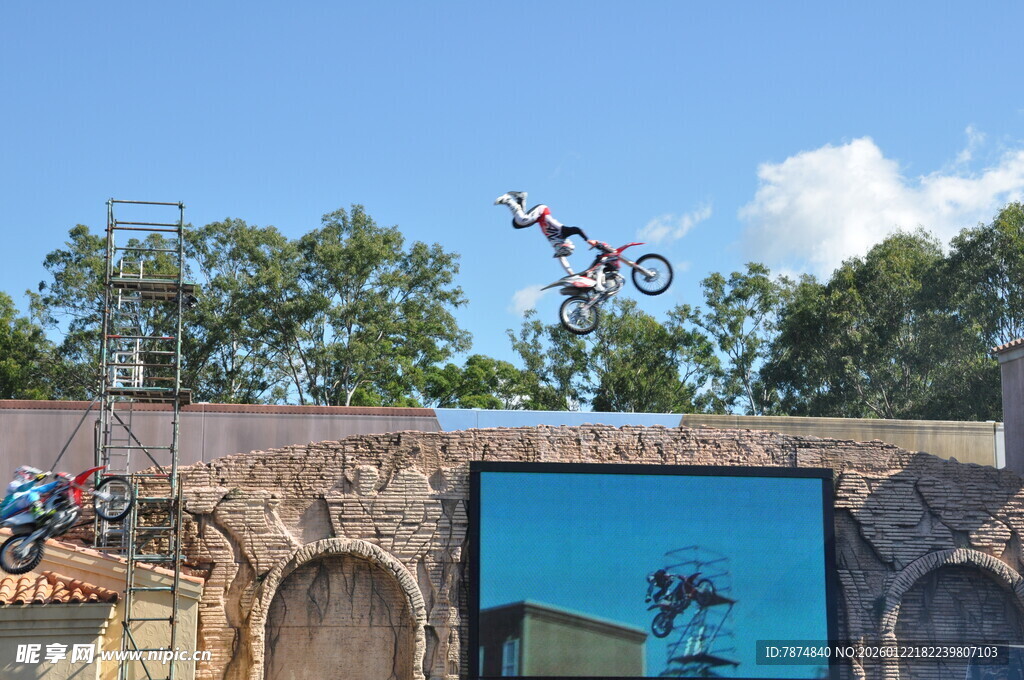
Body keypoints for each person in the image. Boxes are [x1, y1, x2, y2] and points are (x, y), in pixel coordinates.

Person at [494, 191, 603, 275]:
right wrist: (588, 240)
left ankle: (520, 199)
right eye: (560, 250)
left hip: (538, 219)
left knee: (517, 224)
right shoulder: (563, 232)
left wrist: (572, 274)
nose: (557, 251)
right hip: (542, 212)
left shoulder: (555, 245)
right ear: (564, 245)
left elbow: (563, 261)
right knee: (522, 221)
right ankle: (508, 199)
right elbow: (576, 229)